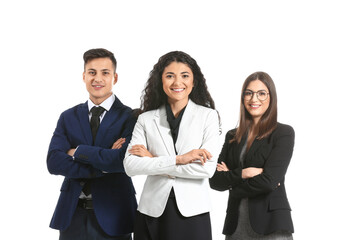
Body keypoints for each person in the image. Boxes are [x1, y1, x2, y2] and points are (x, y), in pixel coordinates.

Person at [123, 51, 220, 240]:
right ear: (161, 80)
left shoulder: (208, 116)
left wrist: (153, 160)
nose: (177, 83)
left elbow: (206, 169)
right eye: (170, 76)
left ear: (194, 81)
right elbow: (130, 166)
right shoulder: (145, 119)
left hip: (192, 213)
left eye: (185, 76)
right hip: (151, 212)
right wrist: (180, 160)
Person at [47, 48, 137, 240]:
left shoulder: (129, 117)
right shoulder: (68, 116)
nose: (98, 79)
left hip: (115, 214)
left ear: (115, 77)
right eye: (92, 72)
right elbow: (54, 162)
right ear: (84, 76)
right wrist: (102, 165)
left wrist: (76, 151)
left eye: (105, 73)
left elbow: (120, 161)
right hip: (73, 214)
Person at [210, 72, 294, 239]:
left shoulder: (283, 133)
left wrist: (232, 183)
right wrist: (244, 173)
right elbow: (215, 181)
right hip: (236, 226)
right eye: (248, 93)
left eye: (261, 93)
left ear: (271, 98)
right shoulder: (232, 136)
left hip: (272, 224)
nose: (254, 99)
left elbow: (269, 181)